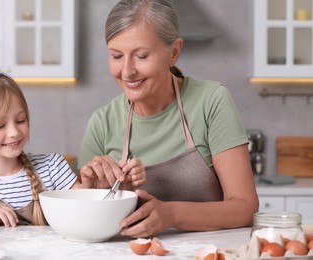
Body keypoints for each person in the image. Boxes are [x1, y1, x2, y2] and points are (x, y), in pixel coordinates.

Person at [78, 0, 259, 238]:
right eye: (117, 56)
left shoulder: (211, 101)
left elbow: (244, 208)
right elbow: (86, 220)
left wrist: (170, 214)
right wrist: (92, 191)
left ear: (173, 53)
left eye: (141, 56)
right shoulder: (102, 122)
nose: (127, 71)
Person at [0, 72, 145, 227]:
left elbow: (91, 218)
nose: (14, 132)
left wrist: (112, 189)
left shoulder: (53, 168)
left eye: (21, 120)